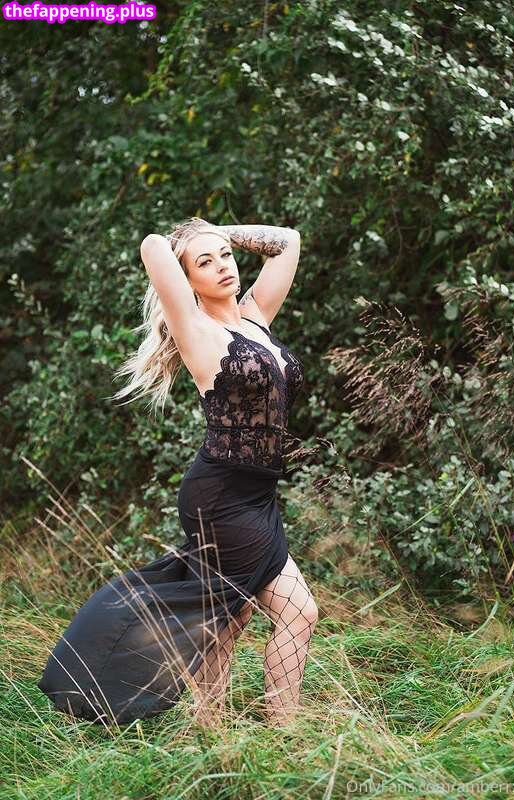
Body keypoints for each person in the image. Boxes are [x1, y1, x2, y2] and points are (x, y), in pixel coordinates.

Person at [37, 216, 318, 729]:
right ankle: (284, 729)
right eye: (204, 263)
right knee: (298, 612)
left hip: (258, 494)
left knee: (230, 615)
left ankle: (211, 726)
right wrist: (191, 240)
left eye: (226, 256)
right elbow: (152, 246)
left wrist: (217, 234)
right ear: (188, 280)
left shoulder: (255, 316)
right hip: (221, 495)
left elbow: (288, 242)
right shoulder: (194, 328)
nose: (222, 266)